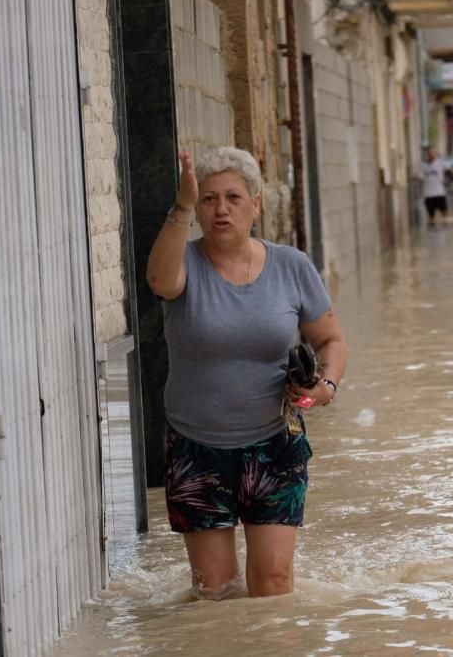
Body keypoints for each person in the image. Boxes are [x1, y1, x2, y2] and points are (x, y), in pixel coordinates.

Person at [146, 146, 348, 600]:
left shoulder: (291, 266)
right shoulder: (184, 265)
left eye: (234, 198)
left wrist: (325, 387)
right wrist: (180, 203)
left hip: (275, 443)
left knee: (273, 582)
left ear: (256, 204)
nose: (221, 209)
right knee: (214, 592)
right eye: (209, 199)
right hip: (197, 448)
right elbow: (159, 282)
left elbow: (331, 339)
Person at [422, 146, 453, 225]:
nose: (431, 154)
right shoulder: (423, 165)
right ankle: (432, 234)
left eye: (433, 152)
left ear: (436, 153)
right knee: (430, 218)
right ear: (427, 154)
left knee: (445, 216)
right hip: (428, 194)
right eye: (430, 153)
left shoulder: (440, 162)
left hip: (439, 193)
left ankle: (446, 233)